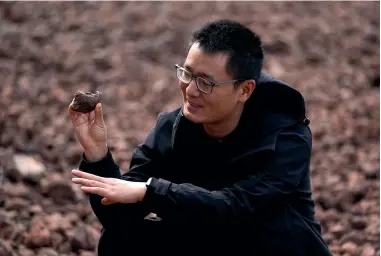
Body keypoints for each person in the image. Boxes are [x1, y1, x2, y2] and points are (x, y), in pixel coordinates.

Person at [69, 19, 332, 256]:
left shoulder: (285, 138)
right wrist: (98, 155)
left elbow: (238, 207)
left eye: (206, 83)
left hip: (273, 247)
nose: (191, 90)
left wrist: (152, 191)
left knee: (258, 228)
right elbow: (119, 217)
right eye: (186, 73)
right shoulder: (170, 129)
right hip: (211, 243)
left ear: (244, 90)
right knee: (121, 239)